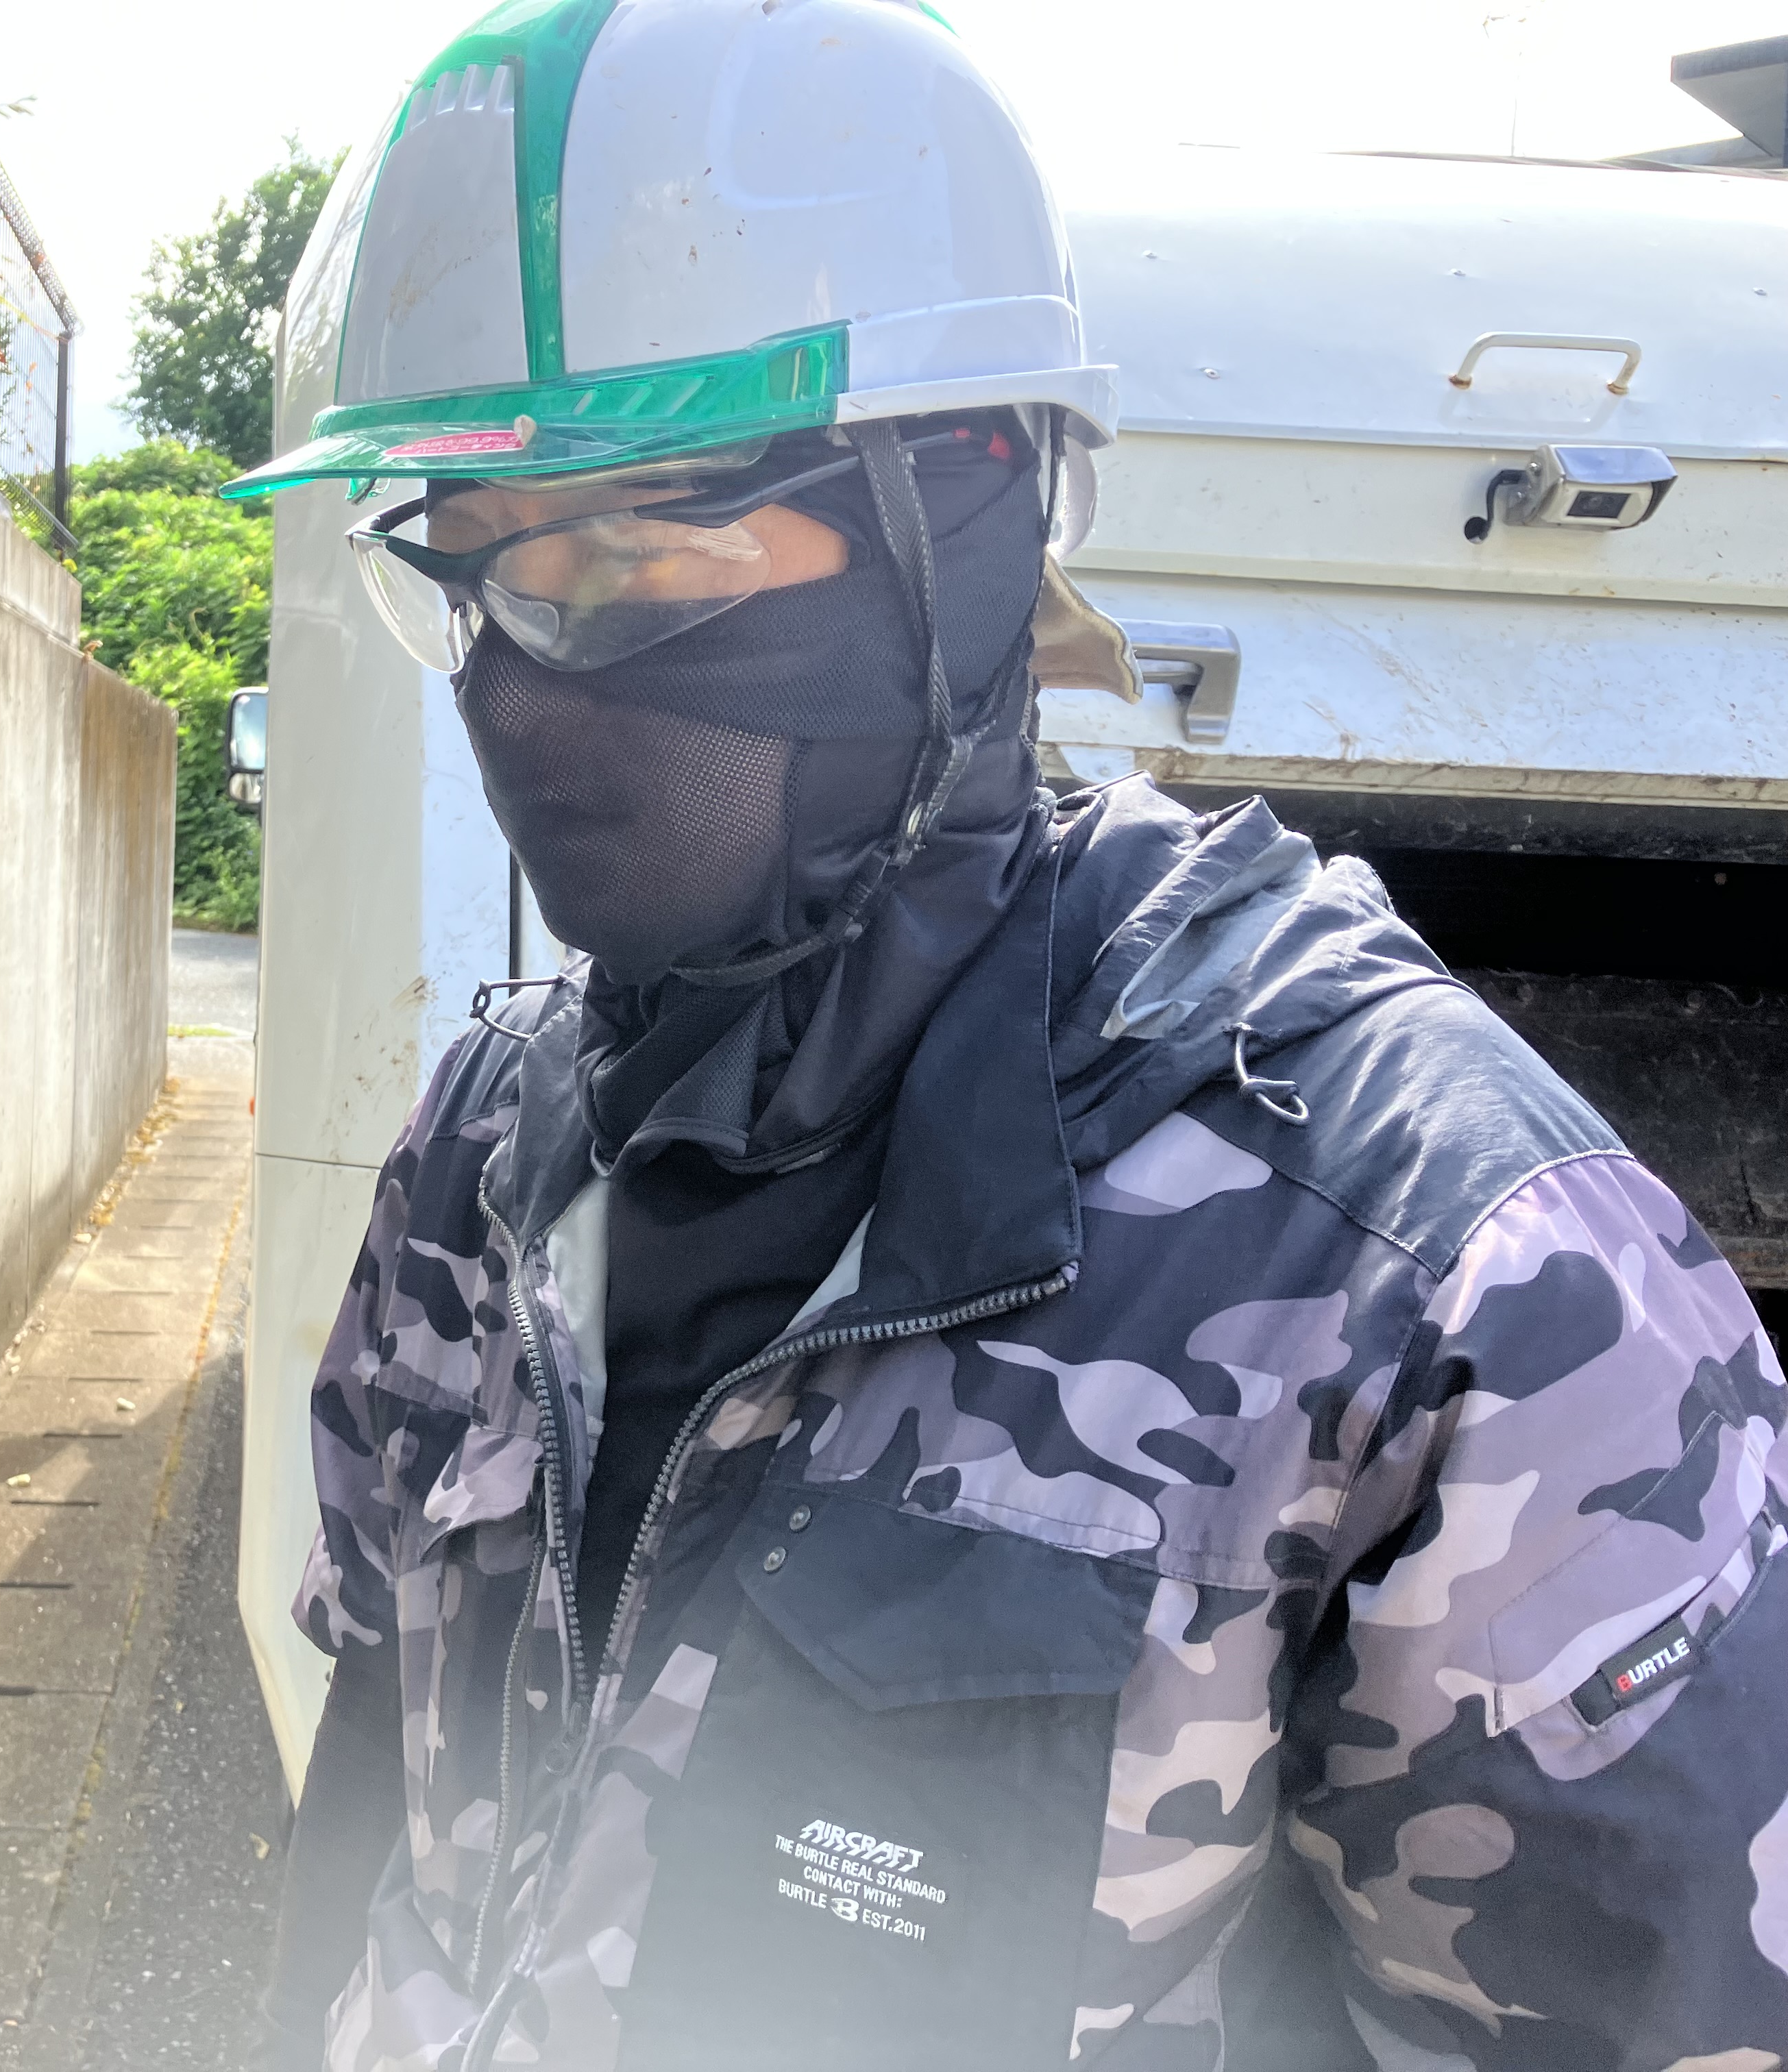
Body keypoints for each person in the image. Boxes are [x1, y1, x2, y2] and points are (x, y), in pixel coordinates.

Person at [221, 2, 1788, 2065]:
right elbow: (375, 1787)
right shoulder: (485, 1151)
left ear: (961, 531)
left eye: (648, 541)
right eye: (476, 561)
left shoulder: (1455, 1288)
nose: (526, 680)